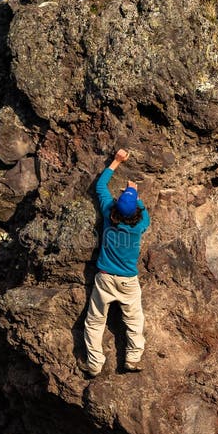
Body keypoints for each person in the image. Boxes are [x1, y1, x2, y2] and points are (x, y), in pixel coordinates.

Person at [82, 148, 150, 377]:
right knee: (135, 320)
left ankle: (94, 364)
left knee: (95, 321)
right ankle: (132, 358)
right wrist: (134, 193)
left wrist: (117, 161)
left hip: (105, 278)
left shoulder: (108, 213)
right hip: (128, 280)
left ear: (117, 205)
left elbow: (100, 186)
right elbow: (143, 212)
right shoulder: (140, 225)